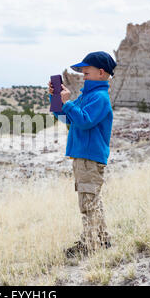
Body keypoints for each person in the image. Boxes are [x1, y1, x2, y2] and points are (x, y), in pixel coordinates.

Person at [48, 51, 117, 258]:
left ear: (101, 73)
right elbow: (66, 119)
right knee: (92, 199)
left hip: (89, 157)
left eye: (86, 73)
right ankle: (102, 240)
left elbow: (85, 120)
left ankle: (89, 244)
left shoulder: (100, 98)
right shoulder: (87, 96)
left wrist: (68, 103)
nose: (83, 77)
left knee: (88, 201)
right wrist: (56, 98)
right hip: (83, 156)